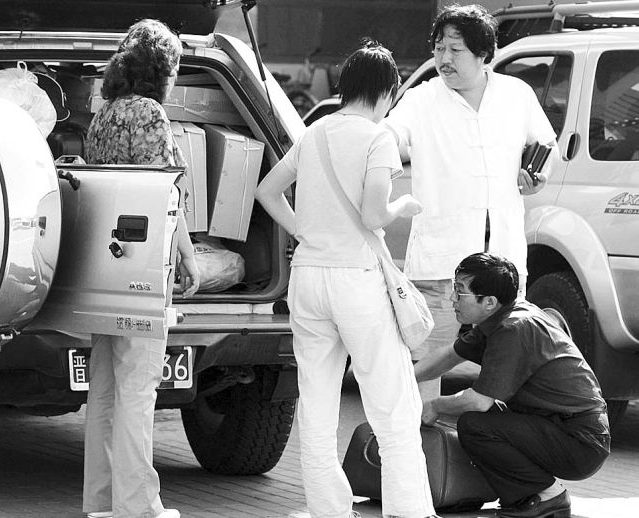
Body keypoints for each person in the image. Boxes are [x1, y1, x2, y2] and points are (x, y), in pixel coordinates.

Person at [255, 41, 437, 518]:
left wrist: (302, 230)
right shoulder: (378, 138)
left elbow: (267, 191)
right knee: (393, 408)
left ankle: (329, 511)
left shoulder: (314, 132)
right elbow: (375, 214)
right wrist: (404, 205)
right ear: (388, 91)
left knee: (317, 410)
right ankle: (408, 512)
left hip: (308, 278)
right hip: (356, 281)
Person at [383, 4, 560, 402]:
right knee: (425, 361)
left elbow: (546, 145)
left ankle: (499, 435)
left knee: (510, 361)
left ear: (483, 54)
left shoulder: (516, 95)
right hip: (440, 261)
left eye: (455, 49)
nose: (444, 58)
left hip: (503, 262)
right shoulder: (422, 99)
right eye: (438, 48)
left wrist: (537, 177)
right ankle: (419, 437)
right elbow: (388, 137)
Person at [82, 19, 200, 518]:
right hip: (142, 263)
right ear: (161, 70)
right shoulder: (149, 114)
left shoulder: (104, 113)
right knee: (138, 385)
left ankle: (102, 501)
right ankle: (138, 506)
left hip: (106, 265)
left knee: (106, 388)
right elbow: (161, 195)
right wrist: (187, 254)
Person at [415, 253, 610, 518]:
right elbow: (449, 356)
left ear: (489, 302)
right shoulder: (500, 317)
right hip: (560, 427)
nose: (452, 298)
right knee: (485, 419)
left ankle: (548, 496)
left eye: (460, 291)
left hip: (579, 440)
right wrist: (404, 379)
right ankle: (523, 496)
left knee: (476, 425)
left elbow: (478, 401)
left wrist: (436, 406)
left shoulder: (513, 328)